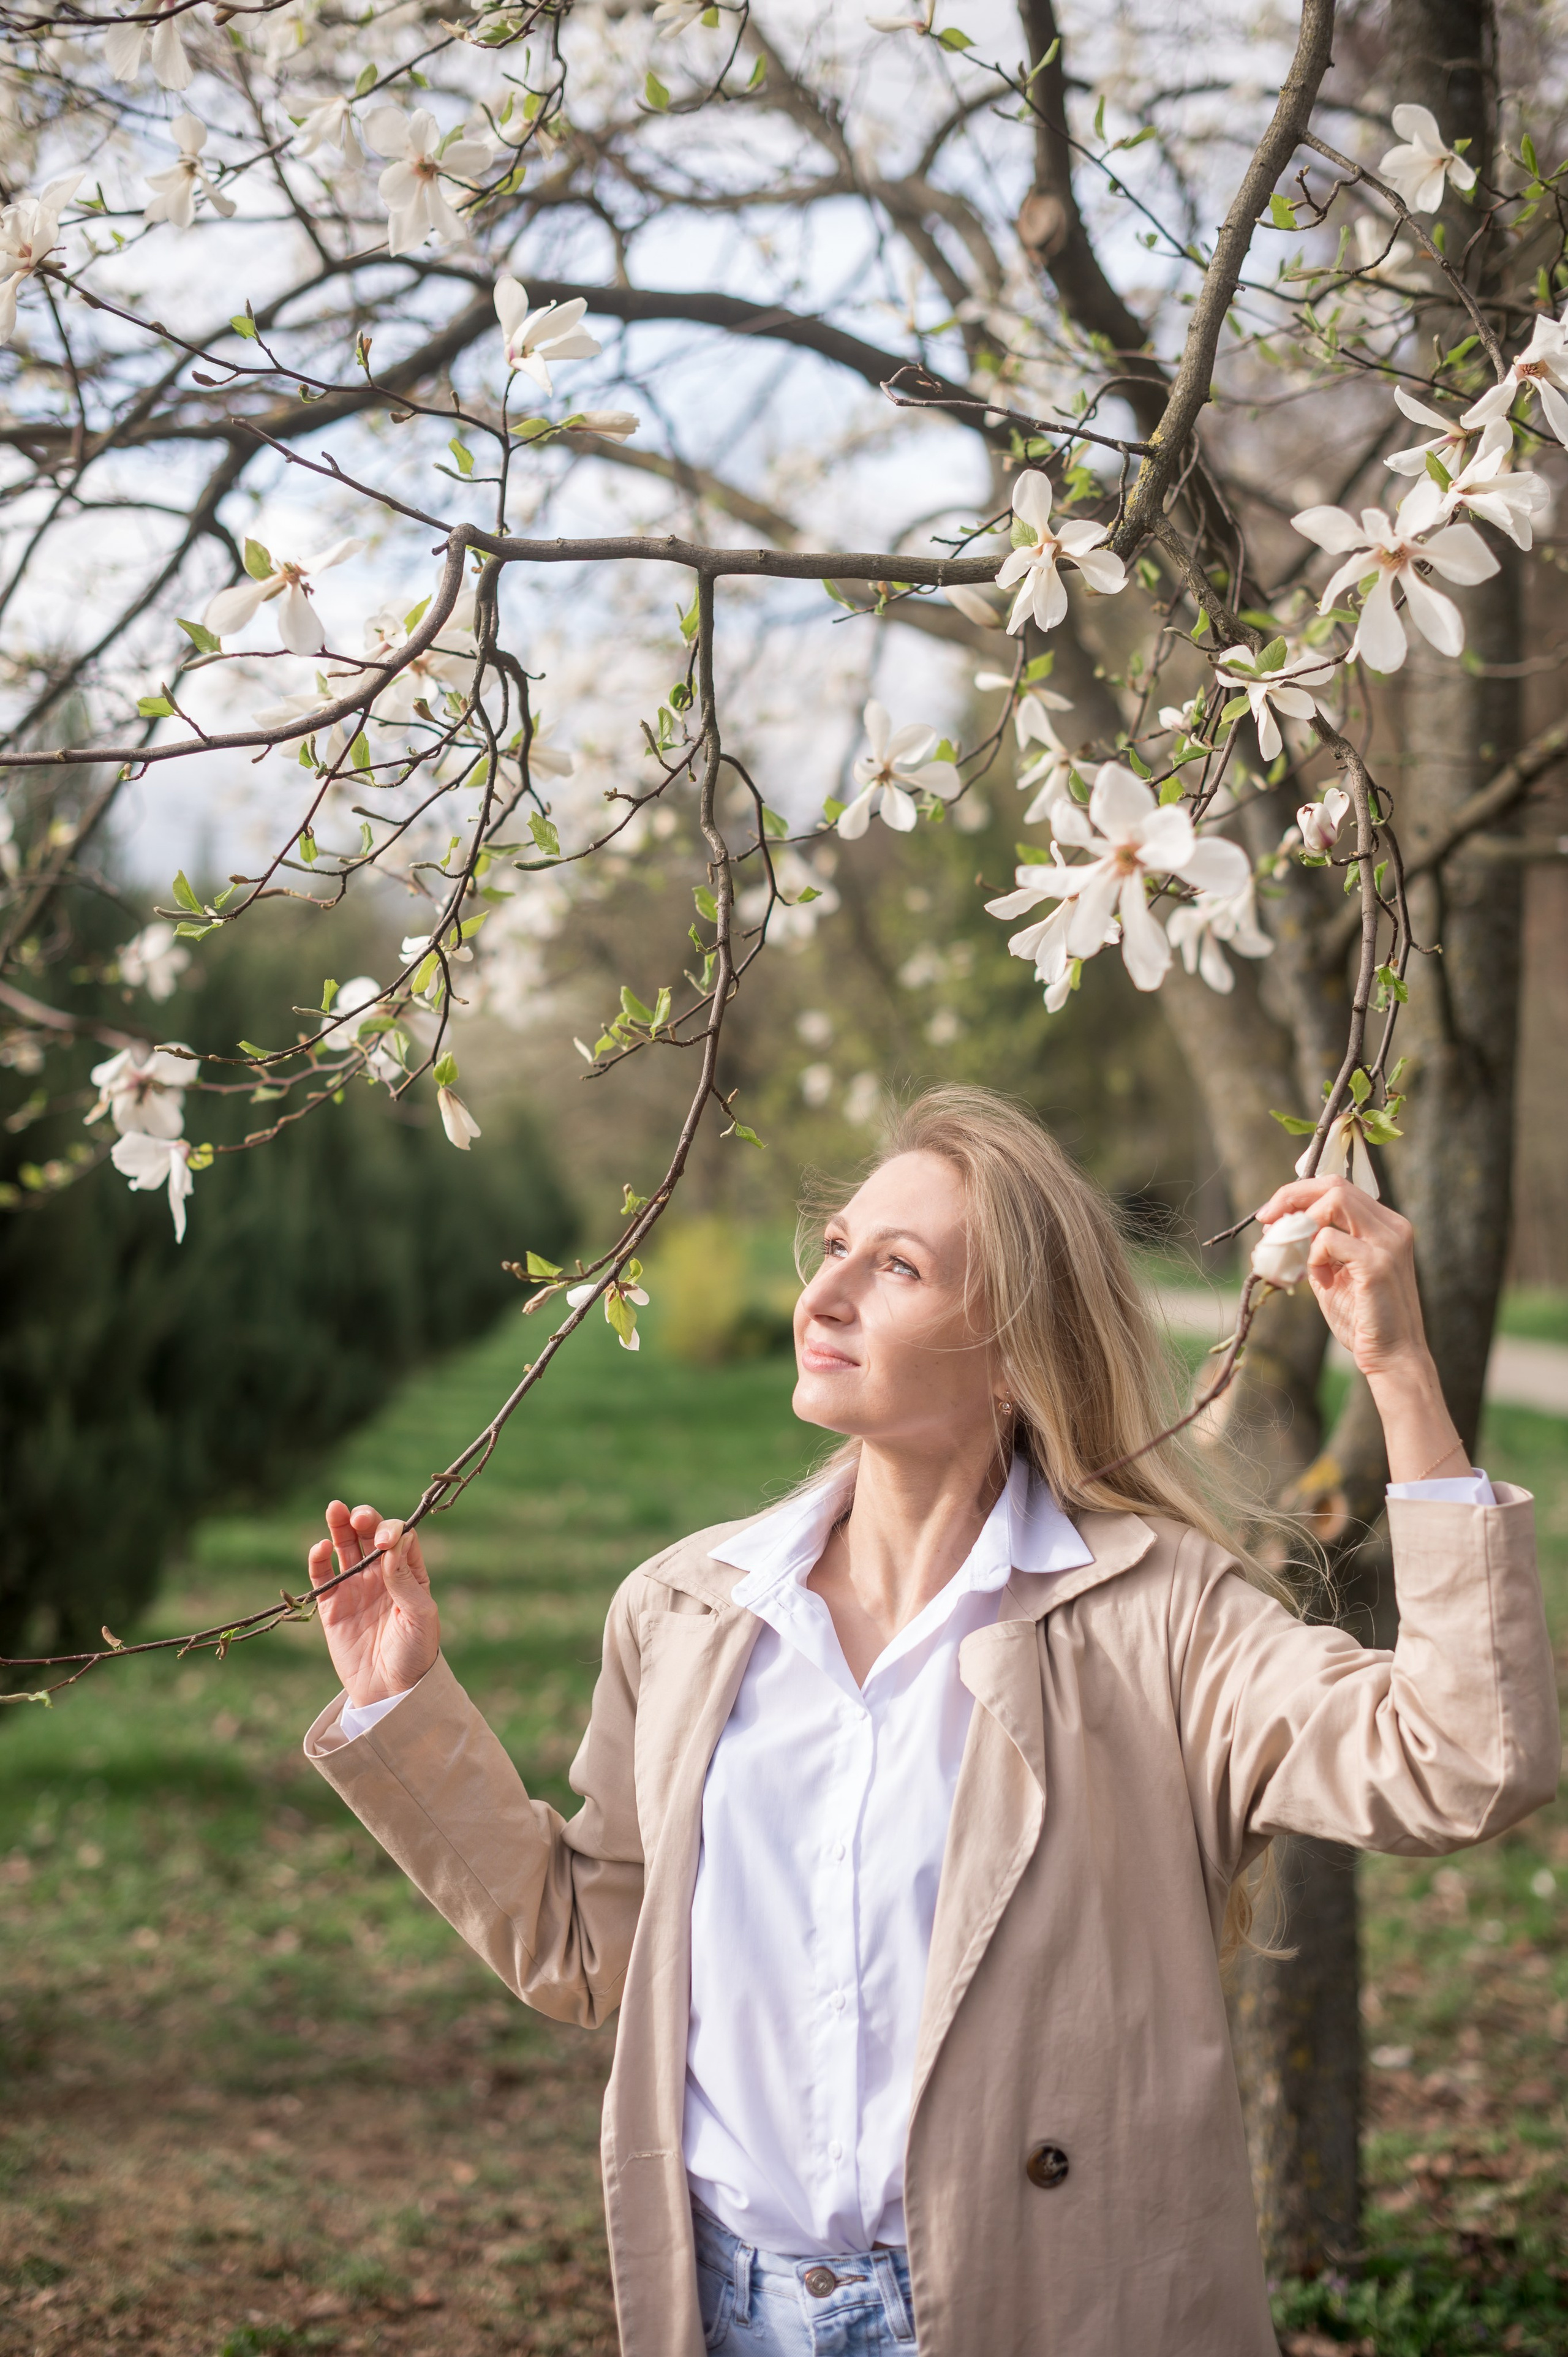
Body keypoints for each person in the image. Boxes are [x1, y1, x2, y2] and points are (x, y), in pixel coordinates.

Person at [302, 1087, 1558, 2357]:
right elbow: (592, 1949)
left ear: (1012, 1352)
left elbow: (1460, 1762)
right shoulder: (685, 1610)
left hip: (1050, 2307)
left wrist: (1396, 1372)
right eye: (835, 1246)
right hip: (727, 2309)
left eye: (895, 1265)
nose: (826, 1294)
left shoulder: (1158, 1616)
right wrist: (400, 1702)